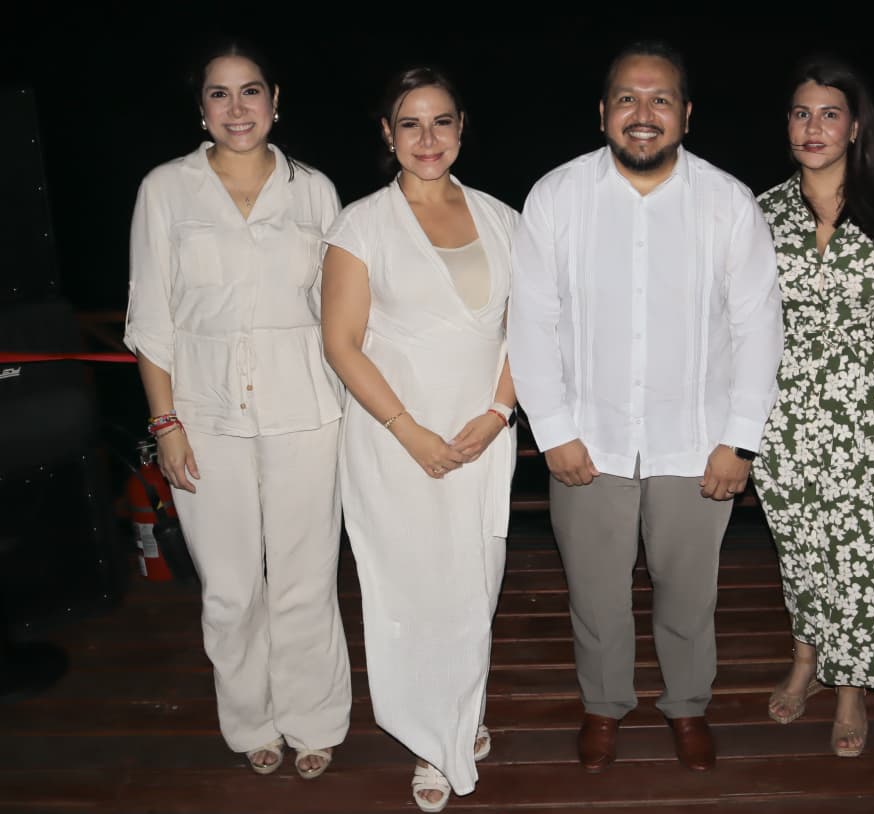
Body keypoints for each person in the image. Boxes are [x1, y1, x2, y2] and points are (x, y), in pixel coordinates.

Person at [508, 41, 783, 774]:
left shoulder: (728, 202)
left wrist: (740, 441)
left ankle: (687, 706)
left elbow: (758, 327)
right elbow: (530, 322)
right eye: (627, 98)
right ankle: (604, 706)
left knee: (689, 594)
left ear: (686, 115)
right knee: (595, 593)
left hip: (696, 442)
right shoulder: (556, 196)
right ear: (603, 112)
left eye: (660, 99)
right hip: (586, 439)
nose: (643, 113)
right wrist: (553, 431)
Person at [124, 40, 351, 779]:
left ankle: (314, 718)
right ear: (201, 109)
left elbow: (341, 309)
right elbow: (150, 319)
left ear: (275, 100)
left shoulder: (314, 191)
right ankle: (251, 719)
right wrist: (165, 424)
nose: (236, 108)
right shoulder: (166, 190)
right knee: (229, 587)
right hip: (204, 417)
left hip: (308, 411)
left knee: (306, 578)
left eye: (250, 90)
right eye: (219, 94)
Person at [320, 67, 518, 813]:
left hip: (481, 438)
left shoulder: (504, 219)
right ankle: (433, 741)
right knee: (412, 590)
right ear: (388, 134)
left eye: (441, 122)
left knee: (474, 586)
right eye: (410, 123)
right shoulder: (361, 224)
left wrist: (498, 413)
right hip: (394, 439)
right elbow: (341, 344)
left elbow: (529, 331)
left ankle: (459, 712)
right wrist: (410, 433)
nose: (427, 138)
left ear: (461, 128)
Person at [752, 56, 874, 757]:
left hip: (872, 406)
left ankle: (850, 685)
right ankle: (806, 657)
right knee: (801, 543)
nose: (813, 127)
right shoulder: (760, 211)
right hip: (784, 405)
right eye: (802, 113)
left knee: (863, 549)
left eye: (830, 114)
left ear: (856, 127)